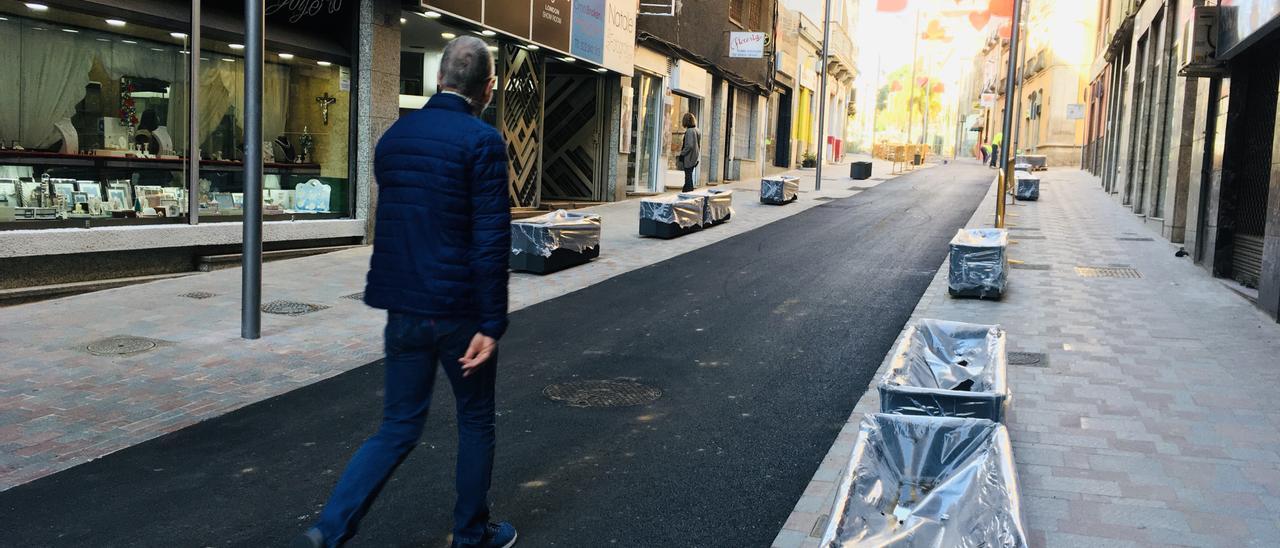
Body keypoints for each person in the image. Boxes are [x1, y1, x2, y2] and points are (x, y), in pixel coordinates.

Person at [295, 36, 516, 548]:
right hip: (459, 312)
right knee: (476, 419)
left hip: (404, 308)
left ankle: (329, 529)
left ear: (440, 79)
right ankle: (470, 534)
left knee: (397, 426)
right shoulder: (483, 142)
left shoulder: (395, 138)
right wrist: (491, 323)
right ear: (487, 88)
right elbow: (490, 240)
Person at [678, 112, 700, 192]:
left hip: (689, 158)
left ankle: (688, 193)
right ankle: (687, 191)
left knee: (688, 177)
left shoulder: (690, 131)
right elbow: (697, 145)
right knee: (689, 176)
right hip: (694, 157)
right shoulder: (696, 130)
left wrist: (682, 153)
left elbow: (689, 145)